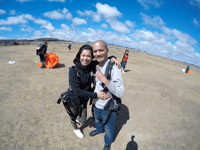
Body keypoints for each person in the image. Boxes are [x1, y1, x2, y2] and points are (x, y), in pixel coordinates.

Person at [62, 44, 120, 139]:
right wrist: (96, 95)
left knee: (82, 118)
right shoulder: (73, 70)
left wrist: (113, 58)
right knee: (73, 116)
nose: (85, 58)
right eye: (83, 55)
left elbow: (103, 59)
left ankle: (78, 119)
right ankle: (75, 128)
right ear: (79, 55)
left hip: (85, 99)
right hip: (74, 99)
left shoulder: (91, 66)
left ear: (91, 57)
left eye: (88, 56)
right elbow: (77, 91)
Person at [89, 40, 124, 150]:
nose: (98, 54)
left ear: (107, 51)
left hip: (108, 107)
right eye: (95, 51)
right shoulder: (94, 65)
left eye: (101, 50)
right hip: (96, 104)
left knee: (109, 128)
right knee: (97, 120)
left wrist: (106, 81)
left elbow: (120, 92)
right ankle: (99, 130)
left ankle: (108, 143)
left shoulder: (113, 68)